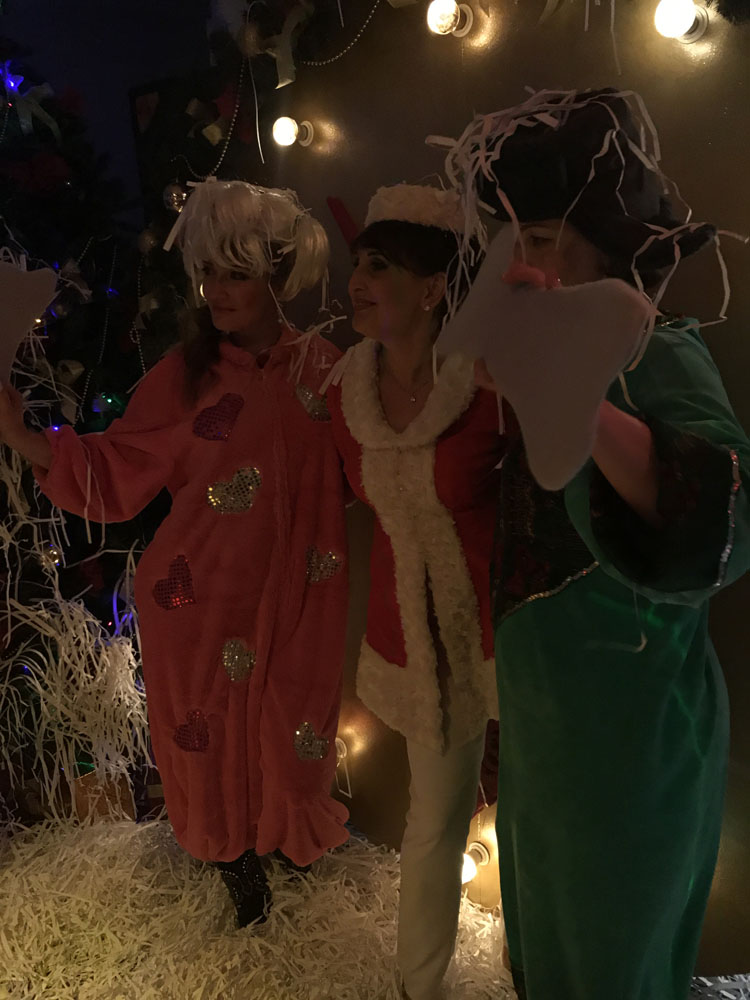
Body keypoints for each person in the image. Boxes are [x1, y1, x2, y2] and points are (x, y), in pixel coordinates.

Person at [438, 89, 750, 999]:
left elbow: (727, 525)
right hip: (553, 742)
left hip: (629, 745)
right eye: (509, 241)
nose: (516, 265)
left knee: (611, 964)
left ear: (605, 247)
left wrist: (585, 402)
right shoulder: (540, 366)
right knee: (552, 955)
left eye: (538, 239)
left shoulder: (654, 352)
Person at [0, 180, 350, 926]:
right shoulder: (184, 378)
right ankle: (233, 859)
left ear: (277, 272)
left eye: (236, 273)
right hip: (198, 599)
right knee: (210, 734)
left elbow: (374, 463)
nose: (216, 291)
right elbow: (116, 469)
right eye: (207, 272)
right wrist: (26, 437)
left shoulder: (326, 370)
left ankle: (286, 836)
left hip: (304, 598)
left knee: (297, 719)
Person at [325, 183, 503, 1000]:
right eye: (359, 264)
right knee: (433, 824)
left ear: (432, 288)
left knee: (544, 819)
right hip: (417, 650)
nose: (357, 282)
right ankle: (418, 988)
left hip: (511, 634)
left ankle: (545, 970)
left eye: (380, 267)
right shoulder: (347, 395)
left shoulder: (492, 387)